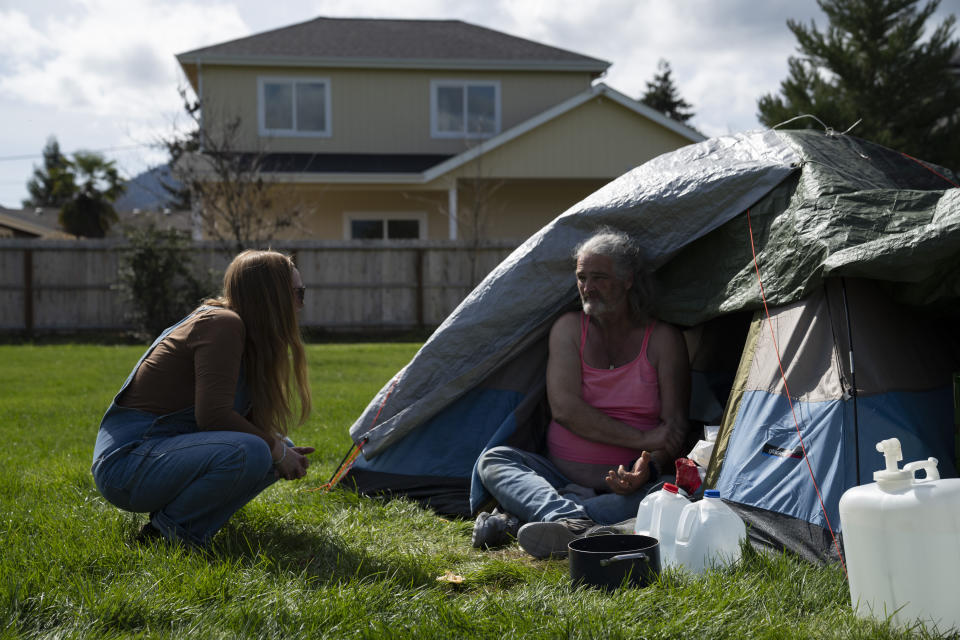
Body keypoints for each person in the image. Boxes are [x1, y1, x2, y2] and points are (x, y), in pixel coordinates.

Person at [472, 228, 690, 558]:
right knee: (494, 460)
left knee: (667, 492)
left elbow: (673, 431)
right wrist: (646, 439)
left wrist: (647, 467)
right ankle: (575, 520)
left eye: (599, 277)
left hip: (627, 484)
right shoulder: (570, 328)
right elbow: (565, 409)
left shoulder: (663, 339)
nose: (587, 288)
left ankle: (544, 519)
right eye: (581, 277)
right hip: (557, 473)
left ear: (628, 280)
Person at [91, 249, 315, 547]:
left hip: (154, 454)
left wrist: (279, 449)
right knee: (257, 450)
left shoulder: (243, 332)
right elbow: (213, 416)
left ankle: (181, 524)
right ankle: (166, 534)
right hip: (126, 464)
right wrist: (273, 448)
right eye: (297, 293)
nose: (300, 305)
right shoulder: (222, 324)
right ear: (271, 296)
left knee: (276, 448)